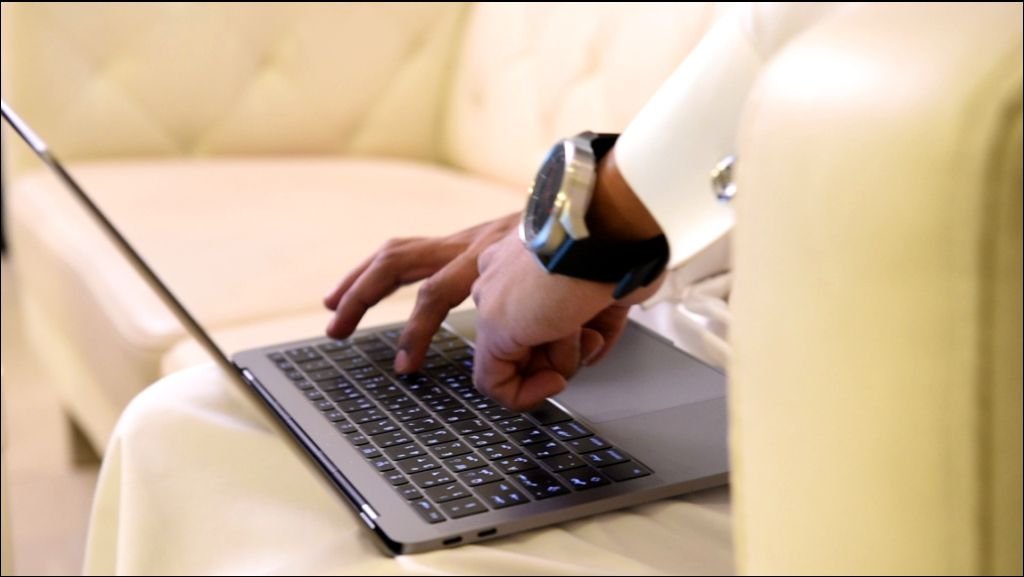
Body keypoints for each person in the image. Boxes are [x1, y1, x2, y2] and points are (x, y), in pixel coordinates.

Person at [84, 4, 842, 574]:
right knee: (179, 424)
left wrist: (581, 238)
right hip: (687, 309)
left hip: (821, 419)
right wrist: (557, 241)